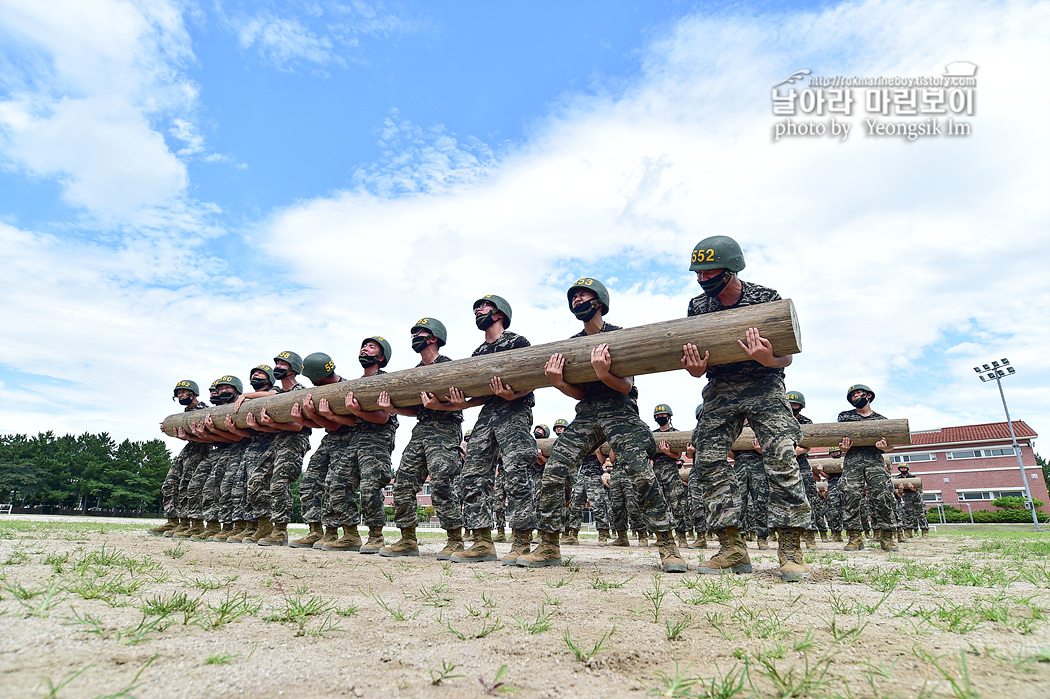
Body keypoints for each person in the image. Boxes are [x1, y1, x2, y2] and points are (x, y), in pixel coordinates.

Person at [526, 278, 686, 572]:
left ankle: (668, 546)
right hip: (587, 413)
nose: (577, 300)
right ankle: (549, 544)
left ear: (599, 301)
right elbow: (581, 392)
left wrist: (603, 373)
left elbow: (625, 386)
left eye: (583, 295)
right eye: (573, 298)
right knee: (555, 469)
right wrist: (559, 383)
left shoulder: (618, 336)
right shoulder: (573, 345)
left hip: (620, 411)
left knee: (641, 473)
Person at [682, 236, 811, 581]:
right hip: (720, 389)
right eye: (699, 273)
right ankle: (732, 549)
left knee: (782, 457)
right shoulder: (698, 307)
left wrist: (766, 357)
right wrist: (695, 370)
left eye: (711, 272)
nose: (703, 279)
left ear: (732, 268)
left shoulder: (765, 298)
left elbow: (786, 356)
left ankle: (790, 550)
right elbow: (697, 357)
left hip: (764, 384)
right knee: (707, 460)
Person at [427, 295, 537, 565]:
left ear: (499, 313)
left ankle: (521, 542)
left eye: (483, 307)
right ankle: (482, 543)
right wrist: (458, 404)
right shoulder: (478, 353)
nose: (478, 310)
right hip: (488, 413)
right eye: (476, 308)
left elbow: (534, 377)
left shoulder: (517, 342)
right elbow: (481, 395)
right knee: (473, 475)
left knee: (516, 471)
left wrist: (514, 395)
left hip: (515, 409)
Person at [380, 318, 465, 559]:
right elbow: (418, 410)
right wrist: (394, 408)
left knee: (440, 482)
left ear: (434, 337)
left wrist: (441, 405)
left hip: (446, 427)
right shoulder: (416, 373)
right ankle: (407, 539)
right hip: (421, 429)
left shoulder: (448, 365)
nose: (415, 336)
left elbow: (459, 401)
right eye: (414, 332)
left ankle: (455, 540)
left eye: (421, 332)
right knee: (403, 484)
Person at [315, 337, 398, 554]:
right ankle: (350, 535)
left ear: (380, 357)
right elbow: (354, 421)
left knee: (371, 487)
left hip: (378, 438)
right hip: (358, 437)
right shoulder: (355, 384)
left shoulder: (385, 379)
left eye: (371, 347)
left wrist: (357, 411)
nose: (364, 349)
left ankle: (376, 536)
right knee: (338, 483)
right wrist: (331, 415)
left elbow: (382, 418)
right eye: (363, 346)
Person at [289, 353, 353, 549]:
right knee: (308, 483)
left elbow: (337, 424)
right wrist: (305, 418)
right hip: (330, 440)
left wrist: (326, 416)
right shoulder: (317, 392)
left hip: (349, 440)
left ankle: (339, 533)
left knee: (334, 485)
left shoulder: (347, 387)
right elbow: (322, 424)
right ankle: (315, 531)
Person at [838, 384, 896, 552]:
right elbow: (841, 439)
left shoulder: (881, 419)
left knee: (883, 495)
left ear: (868, 396)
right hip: (853, 460)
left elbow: (891, 446)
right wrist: (843, 448)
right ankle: (854, 537)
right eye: (853, 396)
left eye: (858, 393)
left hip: (874, 461)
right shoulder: (845, 417)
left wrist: (885, 447)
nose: (856, 396)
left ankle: (887, 536)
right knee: (850, 495)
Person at [152, 380, 210, 536]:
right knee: (169, 484)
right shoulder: (185, 412)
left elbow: (209, 435)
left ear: (194, 393)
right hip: (190, 447)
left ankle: (191, 523)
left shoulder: (204, 409)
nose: (181, 395)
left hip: (202, 448)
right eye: (178, 393)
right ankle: (173, 521)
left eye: (184, 392)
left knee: (188, 485)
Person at [652, 404, 691, 548]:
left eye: (662, 416)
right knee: (659, 506)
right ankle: (662, 537)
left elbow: (678, 455)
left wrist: (667, 452)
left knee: (677, 505)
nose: (659, 418)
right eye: (657, 416)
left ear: (668, 416)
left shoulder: (675, 433)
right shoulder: (653, 434)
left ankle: (682, 537)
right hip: (656, 472)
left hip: (671, 473)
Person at [787, 390, 820, 548]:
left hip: (801, 462)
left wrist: (798, 451)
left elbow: (809, 442)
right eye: (790, 404)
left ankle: (810, 535)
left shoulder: (806, 421)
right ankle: (790, 535)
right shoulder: (778, 419)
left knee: (809, 496)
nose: (793, 407)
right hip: (782, 462)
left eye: (796, 404)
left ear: (801, 406)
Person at [895, 463, 929, 537]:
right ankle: (909, 531)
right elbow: (899, 492)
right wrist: (901, 489)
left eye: (904, 468)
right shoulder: (897, 478)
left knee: (921, 514)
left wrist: (912, 489)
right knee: (908, 515)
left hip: (916, 497)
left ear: (907, 468)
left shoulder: (913, 477)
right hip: (907, 498)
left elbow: (920, 490)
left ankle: (925, 531)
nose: (903, 469)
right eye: (901, 468)